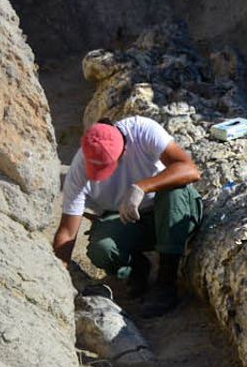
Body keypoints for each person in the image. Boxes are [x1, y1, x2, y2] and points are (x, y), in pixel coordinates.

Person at [52, 116, 203, 317]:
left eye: (106, 168)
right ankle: (137, 268)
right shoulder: (80, 167)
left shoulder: (143, 131)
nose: (101, 174)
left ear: (123, 151)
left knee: (174, 192)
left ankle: (166, 283)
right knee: (102, 250)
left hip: (171, 214)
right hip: (128, 219)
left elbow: (190, 169)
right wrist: (55, 278)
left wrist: (142, 187)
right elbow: (67, 233)